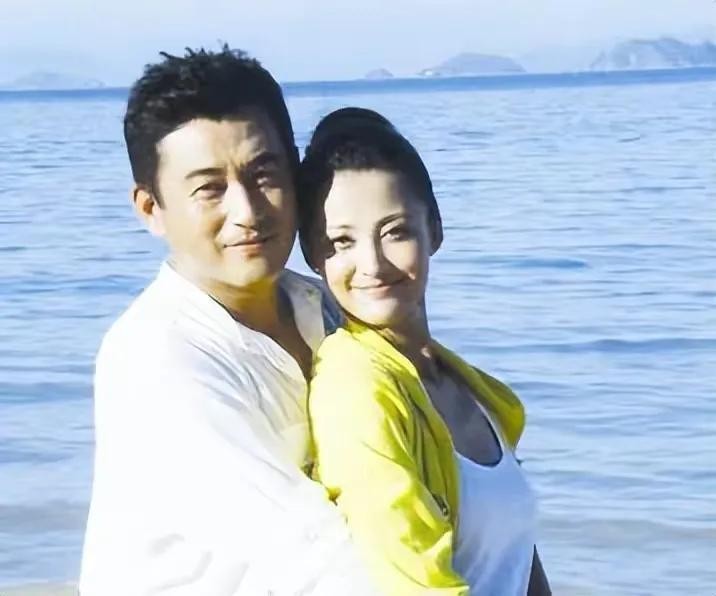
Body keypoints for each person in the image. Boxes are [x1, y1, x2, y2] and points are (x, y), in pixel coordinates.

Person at [79, 48, 378, 596]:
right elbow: (315, 556)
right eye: (209, 189)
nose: (247, 211)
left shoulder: (329, 306)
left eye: (263, 175)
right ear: (151, 209)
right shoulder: (158, 357)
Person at [299, 108, 551, 595]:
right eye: (342, 242)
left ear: (434, 228)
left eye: (395, 231)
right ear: (313, 254)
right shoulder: (355, 390)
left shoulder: (470, 388)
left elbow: (520, 560)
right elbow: (411, 582)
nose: (372, 264)